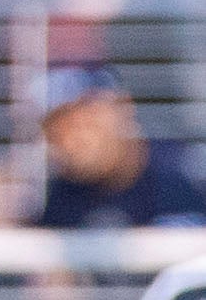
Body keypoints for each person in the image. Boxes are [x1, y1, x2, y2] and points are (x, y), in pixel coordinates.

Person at [37, 65, 206, 230]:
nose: (76, 139)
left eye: (87, 120)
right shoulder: (63, 198)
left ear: (123, 106)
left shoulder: (185, 170)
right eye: (59, 129)